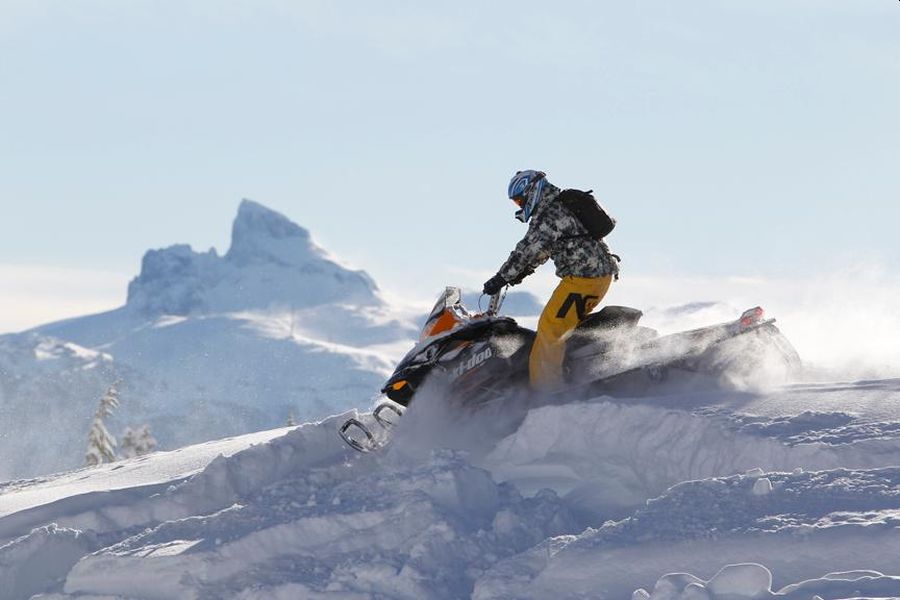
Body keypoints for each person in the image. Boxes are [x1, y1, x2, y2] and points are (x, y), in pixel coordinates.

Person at [483, 170, 619, 390]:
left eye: (520, 200)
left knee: (550, 327)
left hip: (585, 279)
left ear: (532, 191)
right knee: (560, 323)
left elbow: (528, 249)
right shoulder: (556, 207)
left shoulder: (550, 214)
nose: (519, 206)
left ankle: (546, 391)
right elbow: (544, 250)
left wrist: (501, 277)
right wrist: (521, 273)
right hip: (589, 276)